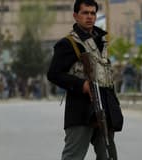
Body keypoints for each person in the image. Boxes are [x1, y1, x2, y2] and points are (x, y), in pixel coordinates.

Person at [47, 0, 123, 160]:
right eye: (85, 13)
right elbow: (53, 74)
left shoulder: (100, 42)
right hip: (81, 110)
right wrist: (82, 85)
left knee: (109, 156)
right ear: (76, 16)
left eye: (93, 13)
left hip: (104, 109)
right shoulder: (68, 44)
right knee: (73, 156)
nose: (89, 17)